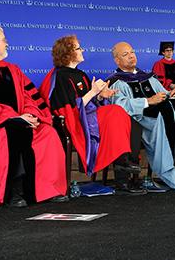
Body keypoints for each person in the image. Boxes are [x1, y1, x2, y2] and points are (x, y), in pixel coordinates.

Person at [0, 24, 67, 207]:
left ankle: (46, 190)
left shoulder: (13, 69)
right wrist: (12, 117)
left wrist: (31, 114)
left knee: (48, 133)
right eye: (4, 39)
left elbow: (30, 97)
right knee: (12, 133)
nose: (7, 44)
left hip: (22, 120)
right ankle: (13, 191)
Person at [107, 42, 175, 192]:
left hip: (159, 118)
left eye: (132, 52)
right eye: (125, 54)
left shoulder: (148, 77)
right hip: (139, 121)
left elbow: (162, 93)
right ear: (117, 60)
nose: (131, 56)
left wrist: (171, 93)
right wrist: (148, 101)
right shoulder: (116, 82)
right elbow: (120, 106)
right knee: (168, 112)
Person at [38, 35, 137, 181]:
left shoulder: (80, 74)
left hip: (91, 114)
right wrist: (93, 92)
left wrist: (101, 96)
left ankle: (122, 161)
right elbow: (69, 108)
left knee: (118, 112)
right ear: (68, 53)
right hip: (77, 120)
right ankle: (121, 162)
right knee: (115, 112)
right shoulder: (60, 77)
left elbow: (89, 101)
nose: (82, 50)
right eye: (78, 48)